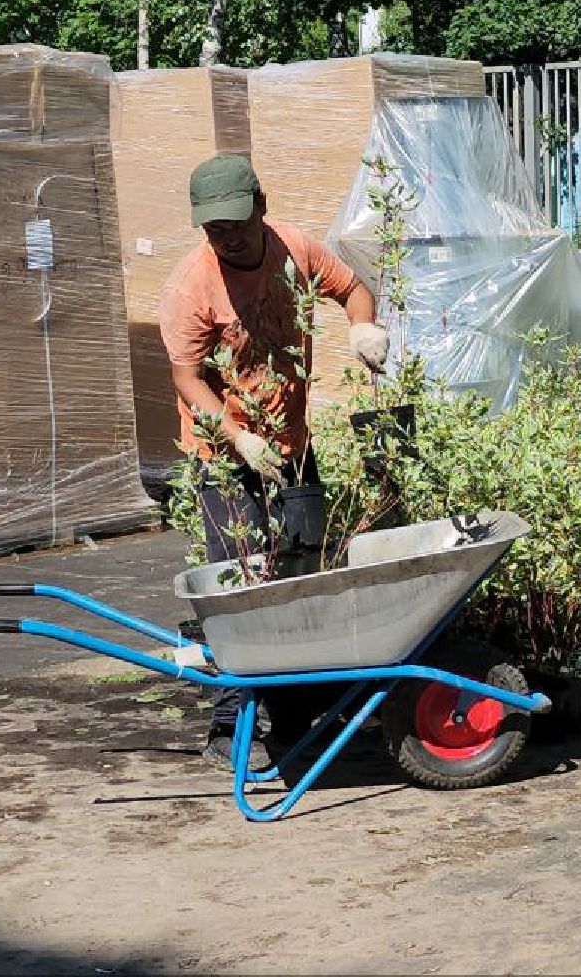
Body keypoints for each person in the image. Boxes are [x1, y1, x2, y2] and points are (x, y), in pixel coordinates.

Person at [159, 154, 388, 771]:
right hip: (226, 455)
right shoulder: (192, 286)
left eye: (235, 222)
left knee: (300, 572)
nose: (227, 236)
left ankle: (293, 716)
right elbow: (186, 378)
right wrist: (237, 437)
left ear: (260, 206)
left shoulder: (295, 249)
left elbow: (353, 289)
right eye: (213, 228)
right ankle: (230, 722)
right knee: (244, 585)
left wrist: (364, 329)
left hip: (292, 446)